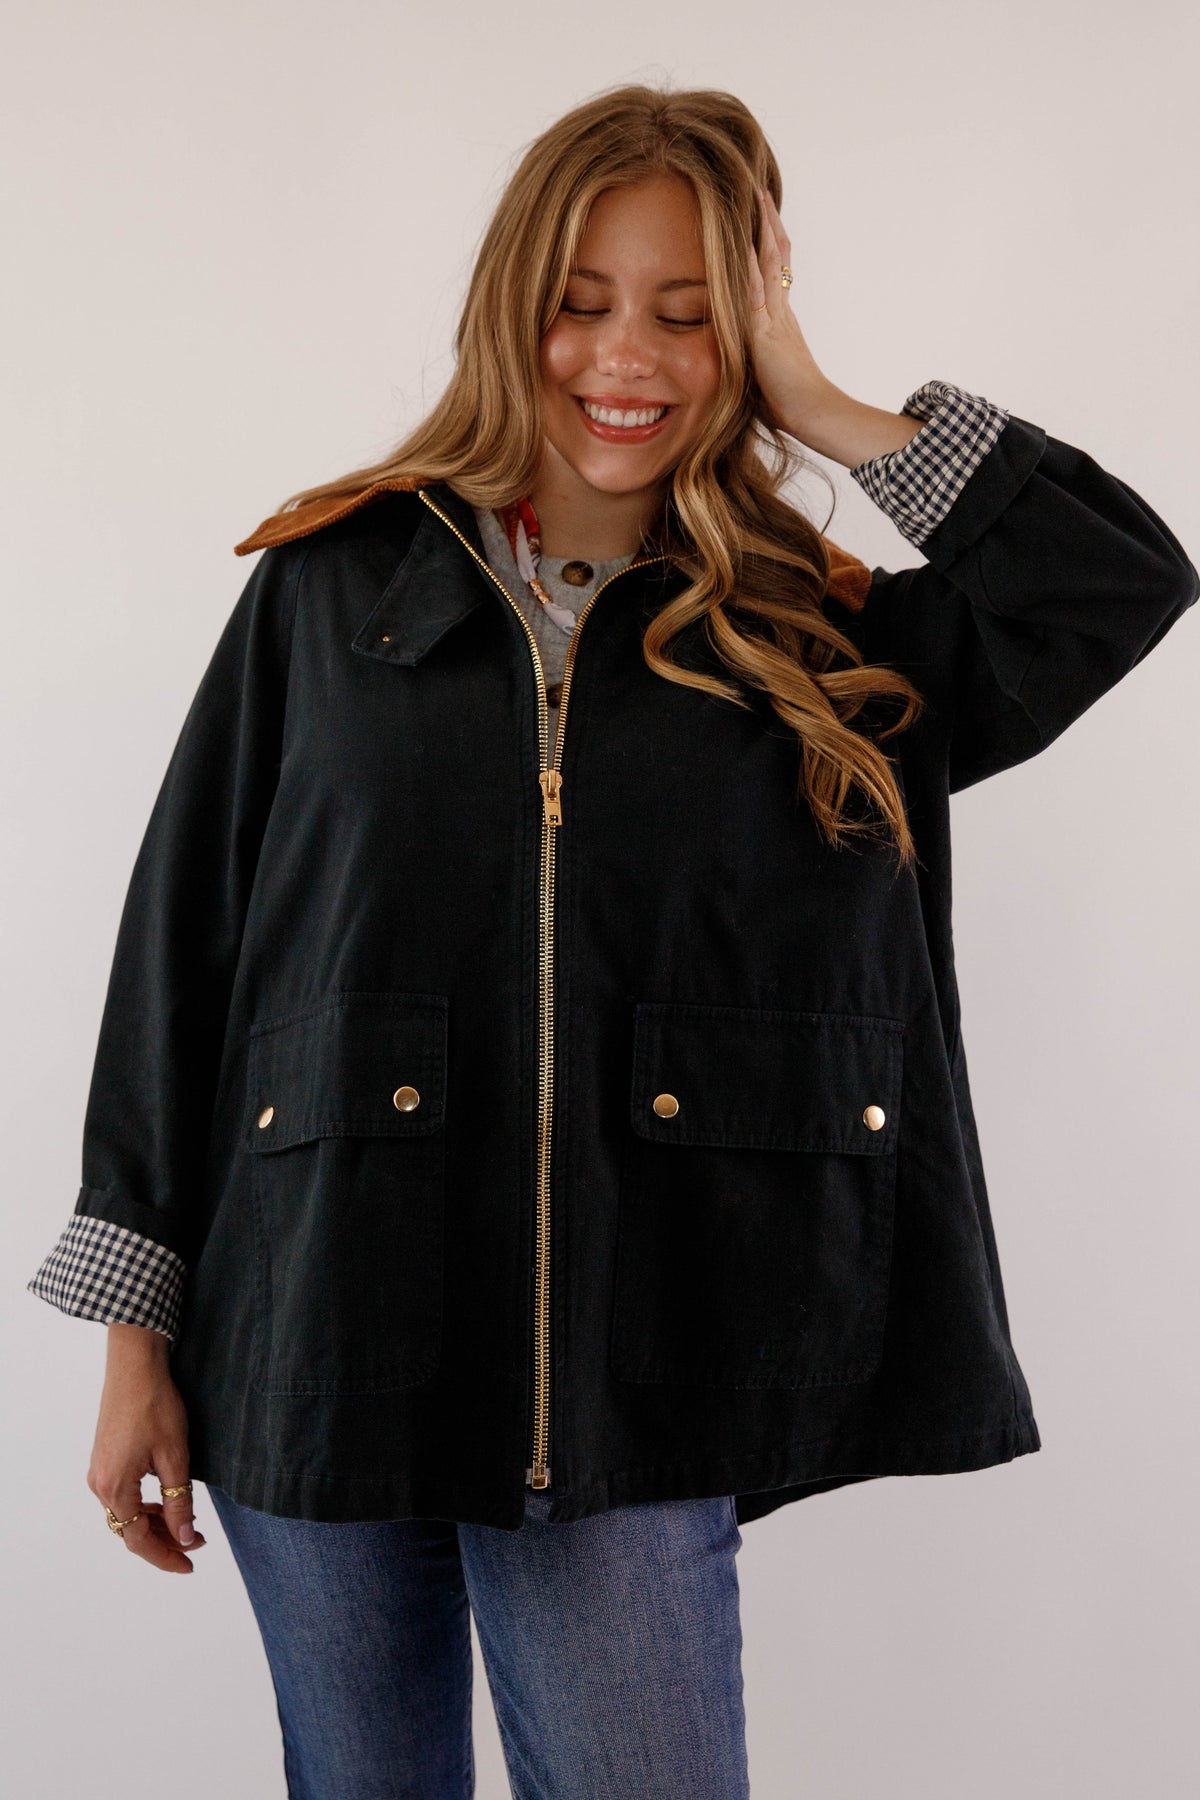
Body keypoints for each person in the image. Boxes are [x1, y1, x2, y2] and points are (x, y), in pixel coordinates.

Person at [27, 82, 1198, 1798]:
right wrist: (136, 1346)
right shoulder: (332, 590)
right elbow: (180, 953)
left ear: (755, 323)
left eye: (689, 311)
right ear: (512, 308)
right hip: (313, 1335)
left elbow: (1117, 582)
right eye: (579, 303)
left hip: (633, 1380)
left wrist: (820, 398)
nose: (623, 356)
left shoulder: (820, 642)